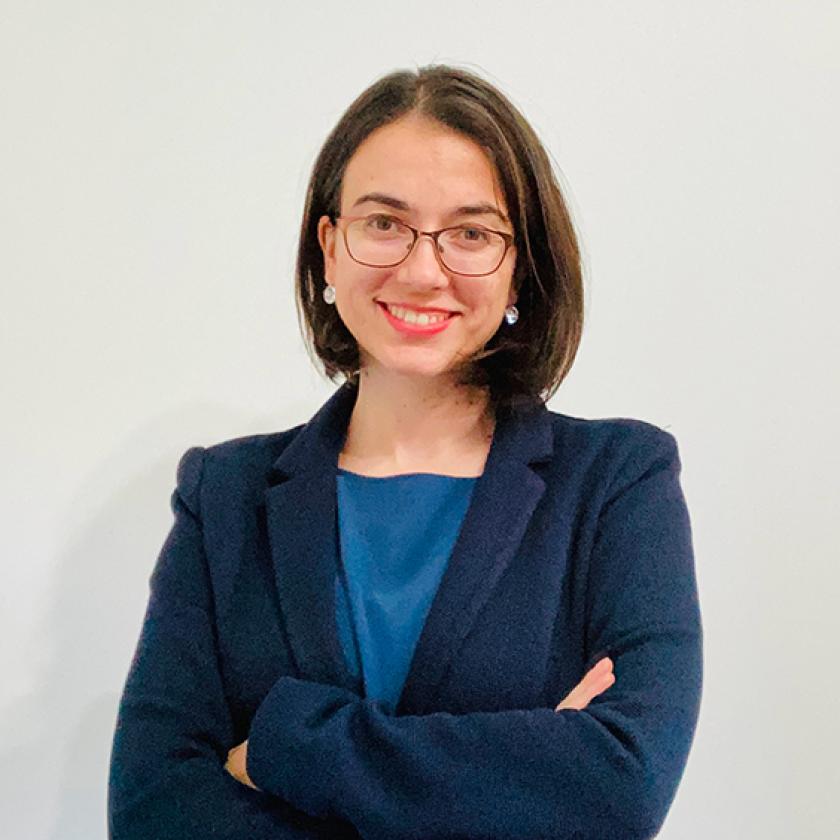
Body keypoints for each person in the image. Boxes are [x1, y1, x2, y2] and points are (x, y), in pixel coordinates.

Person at [107, 64, 703, 840]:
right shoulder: (224, 495)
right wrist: (518, 783)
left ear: (520, 263)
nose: (423, 270)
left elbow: (619, 790)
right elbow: (152, 809)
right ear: (329, 247)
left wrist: (286, 745)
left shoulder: (619, 483)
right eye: (383, 223)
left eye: (472, 233)